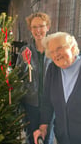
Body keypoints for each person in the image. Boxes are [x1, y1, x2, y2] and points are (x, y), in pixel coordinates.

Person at [16, 12, 54, 144]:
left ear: (47, 27)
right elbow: (18, 76)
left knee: (47, 138)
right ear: (30, 29)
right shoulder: (25, 51)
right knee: (31, 138)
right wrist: (26, 65)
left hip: (50, 103)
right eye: (34, 27)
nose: (38, 30)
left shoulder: (54, 50)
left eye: (41, 26)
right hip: (31, 103)